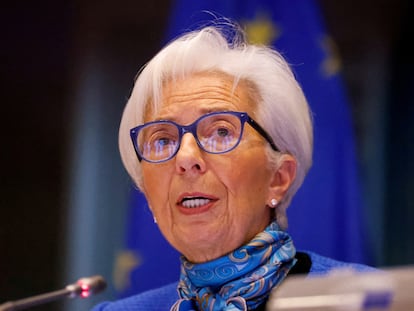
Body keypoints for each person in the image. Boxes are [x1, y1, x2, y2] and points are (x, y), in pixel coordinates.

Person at [92, 21, 374, 311]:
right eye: (163, 140)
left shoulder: (371, 302)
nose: (186, 158)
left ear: (278, 177)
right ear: (147, 192)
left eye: (221, 132)